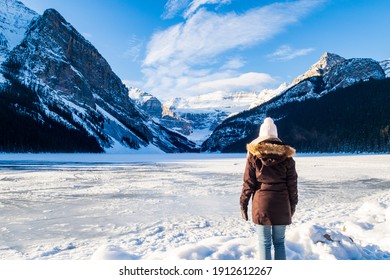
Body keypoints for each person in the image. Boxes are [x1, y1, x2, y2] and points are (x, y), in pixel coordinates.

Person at [240, 117, 298, 260]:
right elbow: (292, 185)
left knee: (264, 243)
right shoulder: (287, 158)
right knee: (279, 243)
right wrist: (293, 205)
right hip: (282, 204)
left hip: (262, 205)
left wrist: (243, 203)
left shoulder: (254, 157)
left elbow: (248, 183)